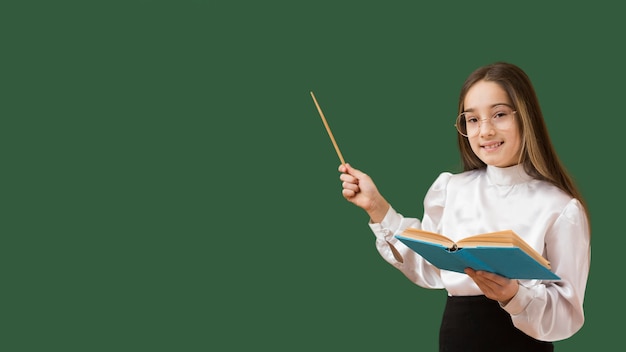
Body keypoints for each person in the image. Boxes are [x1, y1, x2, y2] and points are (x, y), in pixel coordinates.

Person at [338, 62, 591, 351]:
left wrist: (514, 295)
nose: (485, 131)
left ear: (527, 116)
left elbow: (567, 313)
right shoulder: (451, 189)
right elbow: (429, 268)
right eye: (472, 120)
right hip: (457, 337)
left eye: (499, 114)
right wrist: (377, 207)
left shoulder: (560, 207)